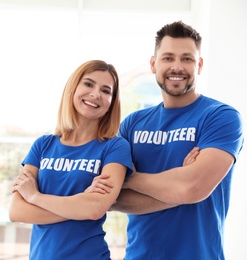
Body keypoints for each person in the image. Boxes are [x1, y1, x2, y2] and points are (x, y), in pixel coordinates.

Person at [89, 21, 244, 259]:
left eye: (187, 59)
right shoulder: (132, 124)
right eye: (168, 58)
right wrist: (179, 188)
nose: (177, 67)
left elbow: (193, 187)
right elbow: (110, 198)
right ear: (154, 64)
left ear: (199, 65)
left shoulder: (221, 117)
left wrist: (129, 178)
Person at [8, 60, 133, 259]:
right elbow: (16, 211)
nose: (95, 94)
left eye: (106, 90)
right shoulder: (43, 145)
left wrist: (35, 197)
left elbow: (95, 208)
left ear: (111, 102)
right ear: (73, 88)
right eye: (89, 84)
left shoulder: (115, 147)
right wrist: (79, 206)